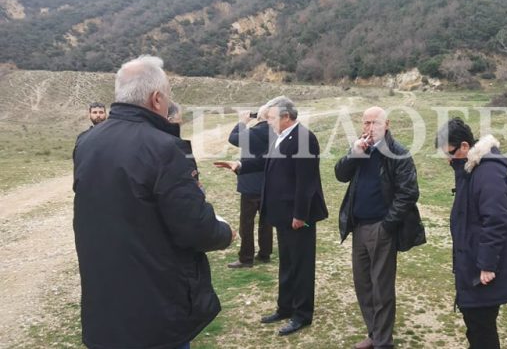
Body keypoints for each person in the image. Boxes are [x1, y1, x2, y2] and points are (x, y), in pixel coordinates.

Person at [73, 55, 234, 349]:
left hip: (104, 305)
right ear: (157, 98)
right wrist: (225, 232)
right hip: (155, 312)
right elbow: (195, 229)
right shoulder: (165, 148)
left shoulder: (87, 142)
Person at [334, 107, 425, 349]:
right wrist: (353, 154)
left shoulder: (398, 153)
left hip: (381, 228)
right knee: (363, 284)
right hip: (359, 227)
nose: (369, 127)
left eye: (375, 122)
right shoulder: (360, 148)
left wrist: (387, 225)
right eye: (366, 122)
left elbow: (409, 193)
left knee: (381, 287)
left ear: (387, 124)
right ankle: (374, 334)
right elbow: (340, 175)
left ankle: (383, 342)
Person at [435, 118, 507, 349]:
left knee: (481, 328)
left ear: (465, 146)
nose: (448, 160)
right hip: (472, 263)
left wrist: (487, 264)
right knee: (477, 326)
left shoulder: (488, 171)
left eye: (450, 153)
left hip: (482, 271)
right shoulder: (471, 168)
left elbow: (495, 221)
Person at [255, 96, 327, 336]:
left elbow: (306, 182)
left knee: (301, 266)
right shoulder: (282, 137)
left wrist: (300, 215)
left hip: (297, 216)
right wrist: (241, 166)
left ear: (286, 117)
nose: (268, 122)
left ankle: (302, 314)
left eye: (272, 118)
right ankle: (285, 307)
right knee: (287, 263)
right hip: (282, 214)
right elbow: (271, 166)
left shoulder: (304, 138)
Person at [226, 105, 274, 268]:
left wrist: (242, 122)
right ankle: (265, 253)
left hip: (250, 183)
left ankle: (246, 258)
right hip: (268, 183)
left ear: (259, 116)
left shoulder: (254, 132)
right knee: (266, 221)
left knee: (246, 223)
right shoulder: (275, 132)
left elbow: (233, 138)